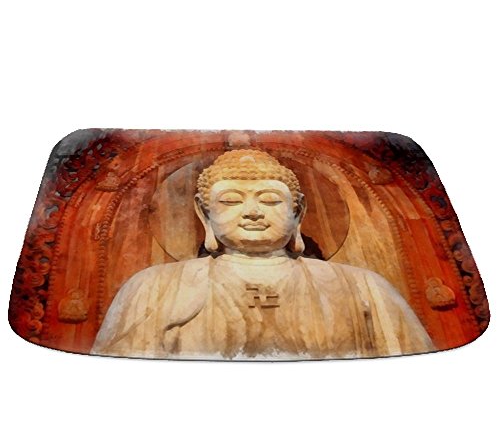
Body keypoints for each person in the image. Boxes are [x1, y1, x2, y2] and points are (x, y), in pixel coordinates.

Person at [91, 149, 434, 359]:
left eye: (270, 200)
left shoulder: (364, 288)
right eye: (230, 200)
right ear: (204, 214)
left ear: (298, 213)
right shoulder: (152, 288)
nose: (253, 212)